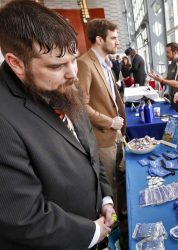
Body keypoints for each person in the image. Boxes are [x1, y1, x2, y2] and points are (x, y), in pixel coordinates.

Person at [0, 1, 115, 249]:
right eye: (56, 65)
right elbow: (23, 216)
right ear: (16, 63)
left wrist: (106, 198)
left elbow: (89, 152)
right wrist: (93, 231)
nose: (72, 73)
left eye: (73, 59)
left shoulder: (62, 84)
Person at [77, 19, 126, 219]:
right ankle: (111, 230)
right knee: (110, 186)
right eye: (113, 38)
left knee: (121, 180)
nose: (117, 42)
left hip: (116, 134)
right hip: (103, 137)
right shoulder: (84, 64)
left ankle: (123, 219)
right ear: (99, 39)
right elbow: (81, 106)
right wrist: (109, 122)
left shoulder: (105, 62)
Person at [148, 42, 178, 118]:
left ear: (175, 52)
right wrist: (157, 77)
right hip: (172, 98)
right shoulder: (171, 65)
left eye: (168, 52)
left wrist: (162, 80)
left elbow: (177, 83)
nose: (166, 54)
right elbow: (168, 79)